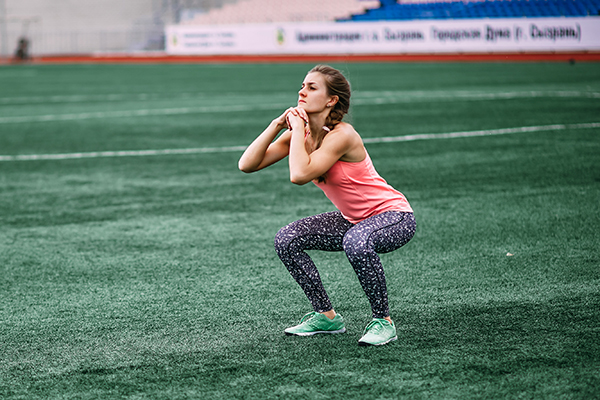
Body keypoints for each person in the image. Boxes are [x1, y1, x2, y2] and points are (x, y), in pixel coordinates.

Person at [238, 65, 416, 346]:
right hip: (353, 219)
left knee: (356, 241)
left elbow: (298, 174)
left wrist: (297, 129)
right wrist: (276, 125)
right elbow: (246, 164)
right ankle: (327, 316)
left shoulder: (342, 135)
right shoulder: (304, 133)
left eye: (311, 87)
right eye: (302, 86)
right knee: (287, 239)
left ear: (331, 100)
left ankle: (384, 321)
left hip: (393, 216)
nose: (302, 91)